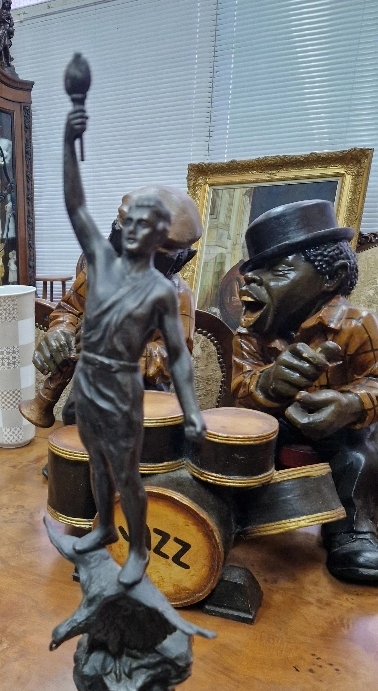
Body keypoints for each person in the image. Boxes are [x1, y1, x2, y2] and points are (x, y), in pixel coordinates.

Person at [64, 101, 205, 587]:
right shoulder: (99, 265)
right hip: (88, 381)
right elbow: (75, 205)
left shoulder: (163, 292)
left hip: (125, 387)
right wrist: (68, 142)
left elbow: (180, 357)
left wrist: (192, 410)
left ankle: (140, 548)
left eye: (144, 227)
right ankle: (103, 527)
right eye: (126, 224)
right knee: (95, 463)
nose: (129, 233)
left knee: (126, 473)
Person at [233, 199, 378, 583]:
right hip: (278, 424)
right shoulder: (251, 332)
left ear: (332, 276)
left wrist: (349, 404)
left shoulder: (359, 325)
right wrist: (268, 383)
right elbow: (241, 389)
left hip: (343, 429)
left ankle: (352, 530)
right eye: (253, 271)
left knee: (358, 457)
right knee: (234, 443)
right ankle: (232, 514)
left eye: (278, 270)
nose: (253, 282)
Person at [26, 185, 200, 428]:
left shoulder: (177, 296)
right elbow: (69, 310)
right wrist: (61, 332)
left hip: (144, 404)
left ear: (180, 260)